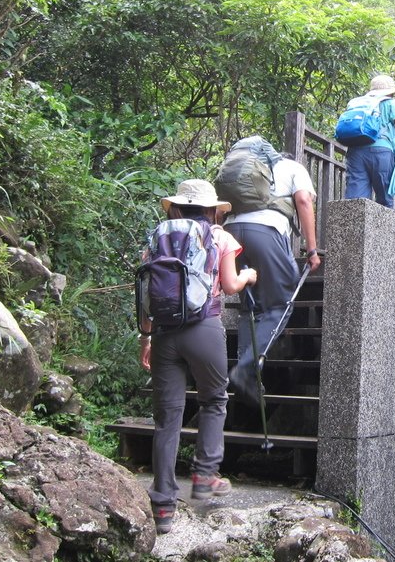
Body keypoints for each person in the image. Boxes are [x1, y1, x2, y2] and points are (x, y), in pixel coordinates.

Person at [138, 179, 257, 535]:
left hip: (163, 332)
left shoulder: (155, 238)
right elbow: (231, 284)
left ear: (174, 207)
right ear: (211, 209)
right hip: (204, 329)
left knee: (167, 417)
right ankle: (204, 476)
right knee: (214, 400)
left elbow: (148, 288)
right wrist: (249, 275)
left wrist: (146, 337)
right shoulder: (219, 237)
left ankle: (163, 505)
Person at [222, 136, 322, 404]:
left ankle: (247, 375)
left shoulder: (249, 171)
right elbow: (303, 201)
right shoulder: (293, 168)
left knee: (250, 306)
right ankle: (246, 369)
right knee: (281, 304)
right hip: (265, 232)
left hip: (231, 232)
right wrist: (311, 250)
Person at [343, 74, 395, 208]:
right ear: (390, 92)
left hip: (355, 151)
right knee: (384, 197)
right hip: (381, 151)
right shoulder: (390, 103)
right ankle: (385, 227)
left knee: (355, 200)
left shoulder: (355, 102)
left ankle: (354, 225)